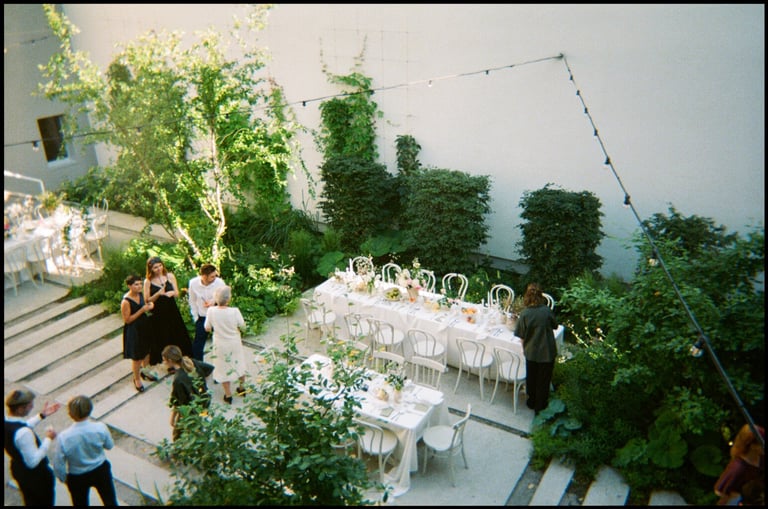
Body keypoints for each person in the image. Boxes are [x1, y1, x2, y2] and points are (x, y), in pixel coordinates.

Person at [53, 395, 118, 506]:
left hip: (78, 475)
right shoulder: (100, 427)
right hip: (100, 469)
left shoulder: (64, 437)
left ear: (70, 414)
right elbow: (109, 445)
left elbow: (58, 462)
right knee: (109, 500)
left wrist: (63, 478)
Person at [4, 389, 61, 506]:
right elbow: (33, 462)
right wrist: (48, 439)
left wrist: (41, 416)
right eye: (29, 405)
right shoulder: (24, 433)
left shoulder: (7, 422)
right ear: (20, 409)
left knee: (29, 500)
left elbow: (22, 424)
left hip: (18, 469)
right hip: (36, 477)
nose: (32, 407)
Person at [514, 282, 557, 415]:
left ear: (527, 296)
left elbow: (521, 335)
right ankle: (540, 407)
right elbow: (555, 326)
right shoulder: (547, 311)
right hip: (547, 351)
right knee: (543, 380)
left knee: (531, 377)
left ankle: (531, 401)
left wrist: (525, 348)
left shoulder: (525, 314)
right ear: (541, 296)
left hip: (531, 351)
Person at [144, 256, 193, 372]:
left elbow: (177, 292)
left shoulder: (169, 276)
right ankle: (169, 362)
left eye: (160, 266)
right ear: (150, 269)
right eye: (155, 267)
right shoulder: (148, 282)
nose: (159, 269)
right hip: (158, 313)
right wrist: (158, 294)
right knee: (163, 336)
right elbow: (147, 300)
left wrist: (171, 293)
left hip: (171, 310)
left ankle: (182, 358)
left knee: (176, 333)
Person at [205, 285, 248, 404]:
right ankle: (241, 388)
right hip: (234, 342)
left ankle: (228, 395)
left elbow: (207, 327)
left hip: (220, 343)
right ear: (228, 299)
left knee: (222, 367)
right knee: (239, 363)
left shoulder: (211, 311)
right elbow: (243, 326)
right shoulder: (234, 311)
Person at [161, 344, 214, 441]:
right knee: (198, 424)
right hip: (204, 403)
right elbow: (209, 368)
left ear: (170, 360)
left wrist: (172, 418)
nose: (163, 362)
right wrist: (203, 386)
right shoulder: (192, 362)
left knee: (179, 435)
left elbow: (178, 402)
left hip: (190, 410)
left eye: (164, 360)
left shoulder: (178, 380)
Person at [714, 423, 765, 505]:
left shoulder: (761, 458)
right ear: (752, 446)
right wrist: (736, 500)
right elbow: (720, 491)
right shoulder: (738, 468)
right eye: (762, 443)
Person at [121, 274, 156, 392]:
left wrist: (150, 306)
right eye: (136, 284)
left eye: (140, 284)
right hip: (134, 330)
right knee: (137, 357)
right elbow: (127, 320)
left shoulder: (140, 295)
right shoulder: (126, 301)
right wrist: (142, 310)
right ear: (129, 286)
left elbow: (145, 304)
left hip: (144, 326)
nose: (139, 286)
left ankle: (145, 371)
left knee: (147, 351)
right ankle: (136, 379)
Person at [188, 263, 226, 361]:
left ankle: (224, 360)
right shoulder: (193, 283)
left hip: (217, 314)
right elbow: (192, 300)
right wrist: (195, 317)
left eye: (215, 275)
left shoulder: (219, 282)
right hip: (202, 316)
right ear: (204, 276)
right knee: (198, 343)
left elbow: (225, 297)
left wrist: (214, 301)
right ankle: (199, 365)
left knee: (222, 339)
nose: (215, 278)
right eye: (212, 276)